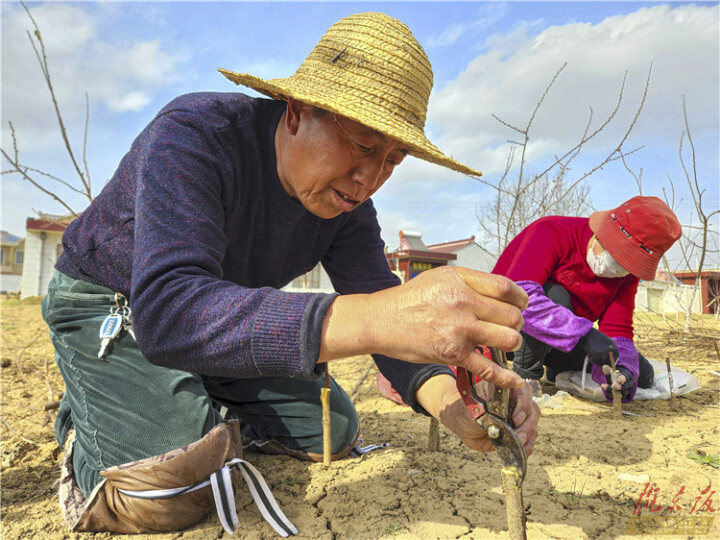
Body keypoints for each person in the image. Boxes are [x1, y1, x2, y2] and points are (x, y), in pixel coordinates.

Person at [41, 12, 540, 536]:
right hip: (114, 306)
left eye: (394, 159)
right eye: (364, 145)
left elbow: (387, 319)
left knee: (335, 430)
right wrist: (380, 316)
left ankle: (185, 392)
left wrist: (451, 404)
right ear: (299, 113)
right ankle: (92, 413)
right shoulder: (195, 137)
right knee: (173, 488)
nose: (370, 178)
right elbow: (171, 311)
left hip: (214, 323)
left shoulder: (347, 208)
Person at [492, 196, 682, 402]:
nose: (619, 269)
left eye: (628, 264)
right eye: (617, 256)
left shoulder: (626, 276)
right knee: (556, 296)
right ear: (603, 234)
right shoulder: (552, 231)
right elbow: (517, 295)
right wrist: (584, 335)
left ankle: (559, 371)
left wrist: (620, 373)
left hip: (564, 341)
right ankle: (526, 376)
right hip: (508, 332)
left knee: (642, 374)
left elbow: (618, 329)